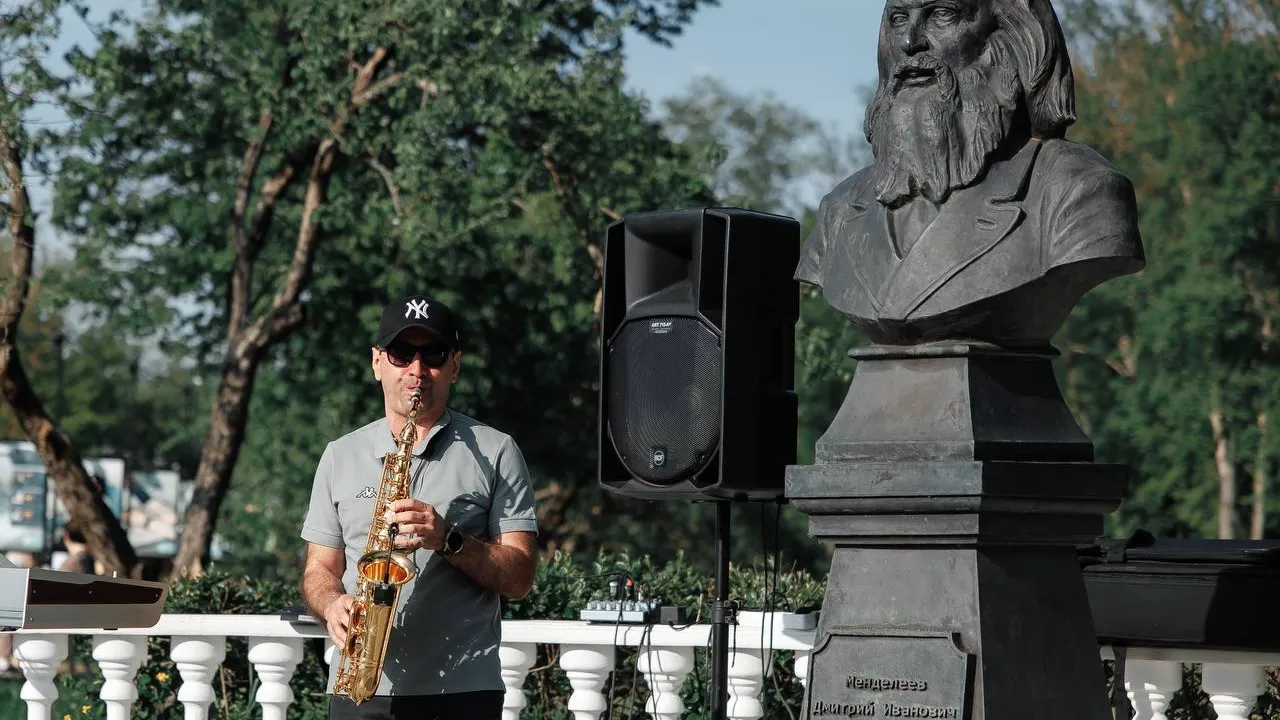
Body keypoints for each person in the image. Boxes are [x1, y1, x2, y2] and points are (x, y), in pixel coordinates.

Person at [797, 0, 1145, 347]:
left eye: (941, 15)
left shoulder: (1078, 191)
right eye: (899, 19)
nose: (910, 42)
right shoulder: (839, 210)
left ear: (1011, 36)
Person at [300, 293, 539, 720]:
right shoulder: (340, 454)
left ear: (455, 366)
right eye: (401, 353)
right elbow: (319, 569)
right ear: (377, 362)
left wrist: (447, 538)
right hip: (358, 689)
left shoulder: (498, 450)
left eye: (433, 354)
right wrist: (332, 603)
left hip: (462, 693)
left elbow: (520, 578)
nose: (417, 370)